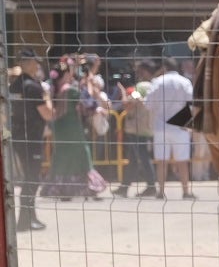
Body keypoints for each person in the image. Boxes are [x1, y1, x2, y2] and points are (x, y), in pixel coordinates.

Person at [42, 57, 105, 201]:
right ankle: (88, 188)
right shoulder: (70, 90)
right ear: (66, 74)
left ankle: (60, 189)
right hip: (73, 130)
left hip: (59, 129)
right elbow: (89, 104)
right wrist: (88, 84)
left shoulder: (52, 89)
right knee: (83, 157)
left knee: (62, 158)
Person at [8, 49, 53, 229]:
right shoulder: (33, 86)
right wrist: (48, 96)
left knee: (29, 177)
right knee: (32, 179)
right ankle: (25, 220)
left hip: (19, 136)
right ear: (30, 63)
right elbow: (48, 114)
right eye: (36, 62)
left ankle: (29, 218)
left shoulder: (14, 86)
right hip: (32, 137)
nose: (38, 65)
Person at [145, 56, 195, 199]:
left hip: (161, 125)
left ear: (164, 68)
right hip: (180, 125)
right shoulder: (185, 82)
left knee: (161, 161)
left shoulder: (157, 82)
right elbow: (191, 102)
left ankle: (161, 192)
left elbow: (148, 104)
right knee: (183, 161)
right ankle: (186, 191)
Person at [114, 59, 158, 198]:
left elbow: (128, 104)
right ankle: (124, 187)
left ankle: (151, 186)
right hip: (147, 126)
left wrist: (122, 91)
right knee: (133, 158)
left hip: (136, 127)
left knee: (143, 156)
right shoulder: (153, 86)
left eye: (139, 70)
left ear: (144, 71)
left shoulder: (140, 87)